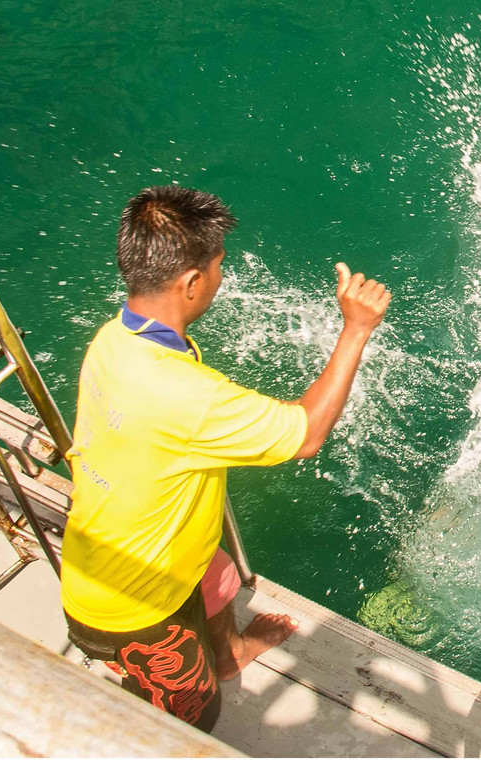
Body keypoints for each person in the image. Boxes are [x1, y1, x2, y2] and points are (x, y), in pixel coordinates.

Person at [60, 185, 391, 732]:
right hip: (133, 612)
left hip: (143, 547)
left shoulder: (114, 341)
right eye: (217, 268)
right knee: (187, 720)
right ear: (191, 282)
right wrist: (356, 328)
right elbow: (306, 434)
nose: (220, 278)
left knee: (217, 577)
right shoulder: (186, 397)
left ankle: (230, 650)